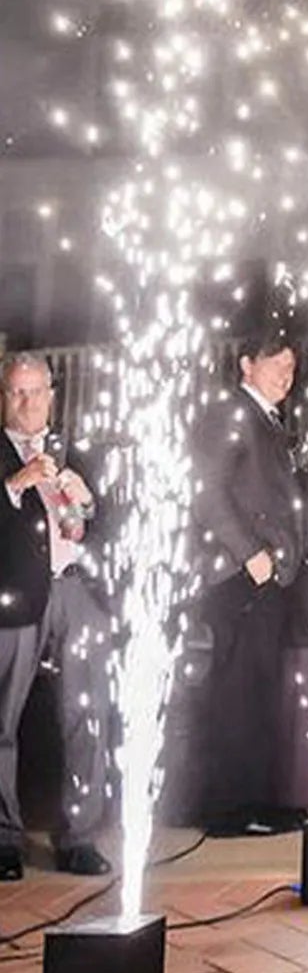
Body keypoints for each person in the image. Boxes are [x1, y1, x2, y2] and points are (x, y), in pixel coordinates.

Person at [0, 354, 114, 879]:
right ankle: (4, 840)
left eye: (36, 391)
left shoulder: (76, 449)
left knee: (85, 716)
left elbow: (106, 521)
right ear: (4, 395)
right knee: (3, 720)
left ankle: (80, 837)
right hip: (14, 597)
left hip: (76, 591)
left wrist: (87, 505)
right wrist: (15, 483)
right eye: (17, 393)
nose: (27, 404)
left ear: (52, 393)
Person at [190, 330, 306, 837]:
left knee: (260, 691)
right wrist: (250, 553)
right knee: (236, 692)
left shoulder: (271, 421)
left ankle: (257, 799)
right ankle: (226, 809)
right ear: (245, 365)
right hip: (239, 577)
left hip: (270, 575)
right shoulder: (230, 413)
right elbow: (208, 492)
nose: (286, 374)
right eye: (276, 364)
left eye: (292, 367)